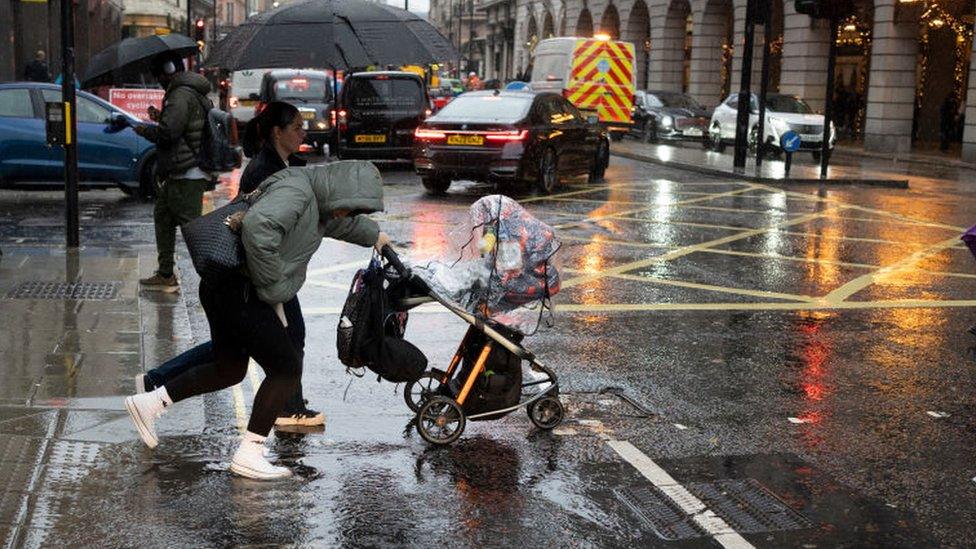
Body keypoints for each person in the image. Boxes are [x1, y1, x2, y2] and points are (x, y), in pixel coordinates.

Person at [125, 161, 393, 480]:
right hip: (240, 289)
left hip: (225, 286)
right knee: (286, 368)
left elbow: (337, 225)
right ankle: (250, 453)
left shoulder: (318, 203)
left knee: (230, 367)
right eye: (349, 208)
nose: (345, 215)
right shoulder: (299, 193)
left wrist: (376, 235)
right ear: (342, 194)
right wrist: (273, 288)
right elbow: (258, 228)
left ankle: (151, 402)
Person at [136, 102, 324, 427]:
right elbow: (259, 228)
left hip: (254, 275)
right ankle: (285, 407)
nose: (303, 132)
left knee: (231, 355)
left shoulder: (281, 165)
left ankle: (155, 383)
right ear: (277, 132)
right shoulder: (266, 171)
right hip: (255, 276)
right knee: (283, 346)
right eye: (296, 127)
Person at [134, 53, 213, 293]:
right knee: (163, 216)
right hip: (181, 171)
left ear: (169, 72)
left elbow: (169, 134)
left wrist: (144, 130)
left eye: (159, 74)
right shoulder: (189, 91)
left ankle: (215, 278)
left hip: (187, 171)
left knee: (192, 231)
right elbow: (183, 123)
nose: (158, 79)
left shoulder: (179, 95)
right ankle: (166, 273)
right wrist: (161, 117)